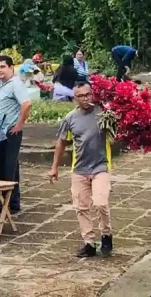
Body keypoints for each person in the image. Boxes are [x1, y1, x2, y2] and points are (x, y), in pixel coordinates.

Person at [48, 82, 113, 258]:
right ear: (74, 98)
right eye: (81, 96)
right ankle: (89, 243)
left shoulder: (103, 113)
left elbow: (117, 131)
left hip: (101, 166)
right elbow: (61, 143)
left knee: (100, 203)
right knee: (81, 207)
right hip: (79, 169)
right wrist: (55, 167)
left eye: (88, 94)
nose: (86, 98)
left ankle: (106, 234)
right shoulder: (70, 118)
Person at [0, 54, 32, 213]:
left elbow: (26, 104)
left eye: (3, 67)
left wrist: (19, 125)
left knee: (6, 168)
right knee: (10, 166)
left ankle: (3, 203)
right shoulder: (1, 83)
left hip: (10, 132)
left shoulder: (15, 84)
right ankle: (13, 203)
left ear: (11, 68)